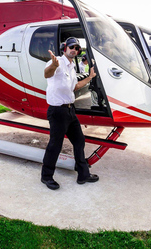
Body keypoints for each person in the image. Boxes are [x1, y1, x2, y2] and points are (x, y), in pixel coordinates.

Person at [41, 37, 99, 190]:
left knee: (79, 141)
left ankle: (83, 175)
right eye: (72, 47)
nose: (74, 50)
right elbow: (47, 74)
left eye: (77, 48)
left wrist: (90, 77)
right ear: (65, 48)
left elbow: (75, 86)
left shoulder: (72, 67)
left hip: (70, 110)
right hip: (57, 111)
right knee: (55, 145)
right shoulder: (57, 62)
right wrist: (53, 65)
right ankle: (46, 177)